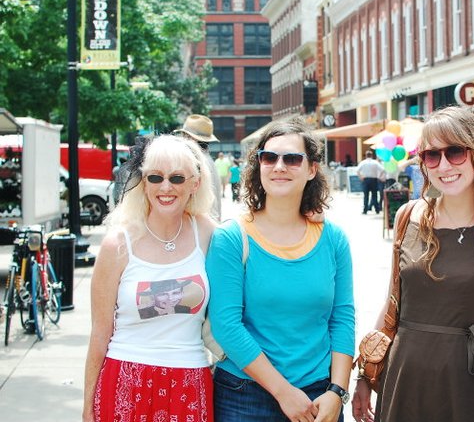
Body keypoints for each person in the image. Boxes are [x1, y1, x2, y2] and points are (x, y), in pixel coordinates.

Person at [352, 106, 474, 422]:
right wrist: (365, 372)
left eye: (455, 152)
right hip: (408, 378)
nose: (444, 165)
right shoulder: (407, 216)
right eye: (432, 155)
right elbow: (392, 304)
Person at [206, 117, 355, 422]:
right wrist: (283, 392)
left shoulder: (334, 239)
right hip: (244, 396)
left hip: (320, 396)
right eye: (269, 157)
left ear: (312, 169)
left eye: (292, 159)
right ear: (258, 166)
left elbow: (342, 318)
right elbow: (226, 325)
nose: (279, 166)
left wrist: (337, 391)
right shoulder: (231, 238)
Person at [83, 134, 217, 422]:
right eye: (155, 177)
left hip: (190, 382)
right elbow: (100, 331)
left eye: (177, 178)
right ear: (144, 183)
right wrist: (88, 405)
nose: (165, 187)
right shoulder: (118, 244)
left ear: (195, 184)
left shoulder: (207, 234)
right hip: (125, 380)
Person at [175, 114, 222, 221]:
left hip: (199, 224)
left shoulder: (196, 162)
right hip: (209, 222)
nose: (181, 139)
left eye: (183, 135)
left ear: (191, 138)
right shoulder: (207, 160)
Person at [356, 150, 384, 214]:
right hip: (374, 180)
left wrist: (361, 177)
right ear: (371, 156)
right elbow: (382, 170)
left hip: (365, 180)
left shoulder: (363, 162)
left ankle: (365, 210)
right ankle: (377, 209)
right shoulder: (375, 162)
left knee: (366, 196)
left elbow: (357, 170)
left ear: (366, 156)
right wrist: (379, 176)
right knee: (374, 195)